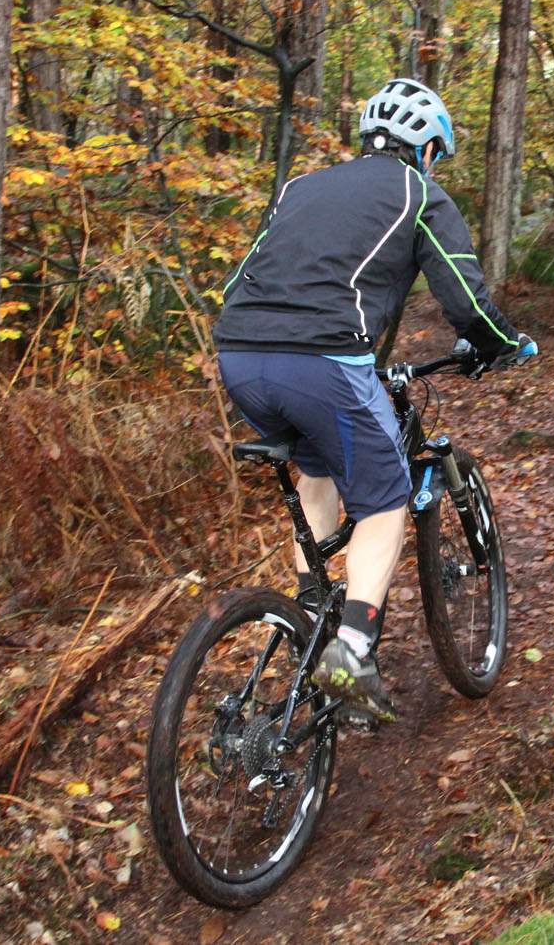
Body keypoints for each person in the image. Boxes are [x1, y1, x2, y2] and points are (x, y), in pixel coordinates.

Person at [212, 78, 535, 722]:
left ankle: (311, 620)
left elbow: (240, 276)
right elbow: (465, 303)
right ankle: (353, 650)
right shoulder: (420, 193)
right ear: (427, 149)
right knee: (386, 500)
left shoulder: (299, 188)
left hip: (240, 355)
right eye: (437, 153)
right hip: (323, 362)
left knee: (318, 473)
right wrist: (502, 343)